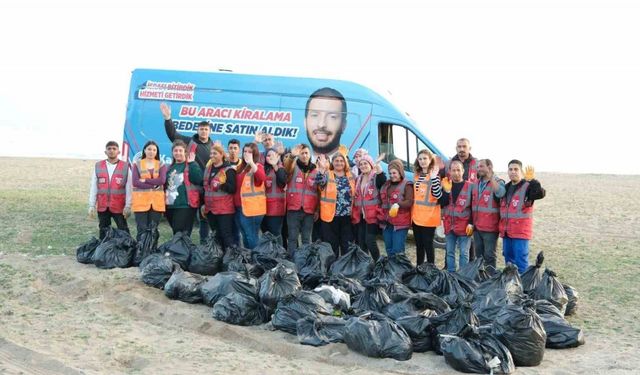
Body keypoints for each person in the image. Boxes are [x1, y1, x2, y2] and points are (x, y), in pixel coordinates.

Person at [160, 102, 212, 243]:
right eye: (201, 129)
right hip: (192, 188)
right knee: (186, 222)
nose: (203, 131)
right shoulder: (190, 142)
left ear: (210, 131)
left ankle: (204, 245)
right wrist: (168, 118)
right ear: (198, 130)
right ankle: (182, 247)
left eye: (206, 129)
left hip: (206, 188)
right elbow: (173, 134)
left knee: (205, 219)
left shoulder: (213, 147)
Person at [500, 160, 545, 274]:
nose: (513, 172)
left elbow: (540, 193)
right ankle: (511, 285)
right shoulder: (505, 188)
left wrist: (533, 181)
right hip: (507, 232)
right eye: (510, 169)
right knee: (508, 261)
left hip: (520, 232)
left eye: (516, 169)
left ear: (521, 171)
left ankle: (523, 288)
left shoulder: (527, 187)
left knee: (521, 262)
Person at [88, 141, 132, 240]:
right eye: (109, 149)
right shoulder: (98, 166)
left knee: (123, 230)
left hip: (119, 206)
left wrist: (128, 205)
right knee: (103, 231)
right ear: (105, 152)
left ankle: (127, 251)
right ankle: (103, 252)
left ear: (118, 152)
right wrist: (91, 205)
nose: (111, 151)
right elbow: (94, 187)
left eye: (114, 149)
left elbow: (129, 187)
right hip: (103, 206)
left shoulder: (125, 167)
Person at [412, 149, 446, 266]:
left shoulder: (435, 176)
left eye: (425, 158)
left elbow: (438, 195)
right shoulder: (416, 176)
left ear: (430, 160)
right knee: (419, 245)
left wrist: (433, 178)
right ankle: (419, 267)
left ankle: (431, 268)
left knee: (428, 245)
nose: (422, 161)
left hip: (429, 218)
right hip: (416, 217)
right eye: (420, 159)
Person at [316, 153, 355, 257]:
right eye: (336, 161)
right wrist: (321, 170)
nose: (339, 163)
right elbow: (320, 183)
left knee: (346, 245)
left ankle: (344, 268)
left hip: (347, 216)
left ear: (345, 163)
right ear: (332, 163)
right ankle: (332, 268)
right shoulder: (328, 174)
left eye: (341, 161)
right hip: (330, 216)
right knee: (332, 245)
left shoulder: (351, 175)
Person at [471, 159, 506, 274]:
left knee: (489, 256)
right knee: (479, 256)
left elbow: (501, 193)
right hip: (477, 227)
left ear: (489, 166)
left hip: (490, 228)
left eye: (481, 166)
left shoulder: (498, 181)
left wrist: (491, 178)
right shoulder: (476, 183)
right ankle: (480, 279)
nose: (478, 169)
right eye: (477, 167)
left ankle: (490, 279)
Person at [283, 143, 319, 254]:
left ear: (310, 155)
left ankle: (305, 263)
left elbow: (319, 193)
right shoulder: (293, 167)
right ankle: (292, 263)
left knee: (306, 239)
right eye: (302, 153)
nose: (304, 155)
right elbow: (287, 167)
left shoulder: (316, 171)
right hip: (293, 210)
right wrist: (292, 156)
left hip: (309, 211)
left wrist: (317, 210)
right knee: (292, 238)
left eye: (306, 153)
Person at [164, 140, 203, 235]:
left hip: (186, 205)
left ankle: (183, 249)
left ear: (185, 152)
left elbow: (199, 179)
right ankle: (179, 249)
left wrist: (192, 163)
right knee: (176, 232)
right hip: (170, 205)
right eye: (175, 151)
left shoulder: (190, 165)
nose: (178, 153)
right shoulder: (169, 168)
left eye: (180, 151)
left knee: (181, 232)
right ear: (172, 153)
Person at [202, 144, 237, 249]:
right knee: (216, 235)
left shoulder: (228, 170)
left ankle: (229, 259)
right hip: (210, 209)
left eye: (215, 153)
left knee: (226, 235)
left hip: (224, 209)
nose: (212, 155)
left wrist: (221, 185)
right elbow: (205, 188)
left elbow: (232, 188)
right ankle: (218, 259)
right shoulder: (208, 169)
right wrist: (203, 205)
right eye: (211, 153)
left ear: (221, 155)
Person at [352, 153, 386, 261]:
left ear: (371, 164)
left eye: (365, 163)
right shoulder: (358, 179)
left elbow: (383, 182)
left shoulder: (375, 177)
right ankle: (366, 264)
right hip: (361, 215)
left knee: (370, 240)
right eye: (361, 164)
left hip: (373, 215)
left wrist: (379, 168)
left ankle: (377, 262)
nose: (363, 166)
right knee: (361, 241)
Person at [441, 160, 473, 272]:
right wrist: (446, 191)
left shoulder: (470, 187)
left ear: (463, 171)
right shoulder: (446, 184)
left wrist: (471, 223)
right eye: (453, 170)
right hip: (449, 225)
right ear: (449, 171)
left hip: (464, 227)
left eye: (458, 170)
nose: (456, 173)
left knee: (464, 253)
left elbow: (474, 208)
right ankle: (451, 274)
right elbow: (442, 203)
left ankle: (463, 276)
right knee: (450, 252)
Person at [131, 140, 167, 240]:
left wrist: (145, 180)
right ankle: (140, 252)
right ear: (144, 150)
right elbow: (135, 182)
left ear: (157, 152)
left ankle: (152, 252)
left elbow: (162, 180)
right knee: (141, 230)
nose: (151, 151)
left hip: (156, 203)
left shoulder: (161, 164)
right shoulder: (137, 164)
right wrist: (153, 185)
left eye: (154, 150)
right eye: (149, 149)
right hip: (140, 203)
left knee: (153, 230)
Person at [234, 142, 267, 249]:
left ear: (255, 154)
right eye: (245, 151)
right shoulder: (241, 167)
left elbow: (262, 178)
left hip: (252, 210)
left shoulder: (257, 166)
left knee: (251, 236)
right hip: (239, 207)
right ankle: (249, 258)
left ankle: (256, 260)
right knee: (245, 235)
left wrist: (252, 163)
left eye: (250, 152)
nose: (247, 154)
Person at [379, 159, 413, 256]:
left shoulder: (407, 184)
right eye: (390, 173)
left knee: (397, 251)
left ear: (400, 172)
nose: (392, 175)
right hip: (387, 223)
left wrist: (398, 204)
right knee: (389, 249)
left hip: (400, 224)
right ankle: (391, 270)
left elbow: (409, 201)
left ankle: (399, 270)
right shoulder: (386, 184)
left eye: (394, 173)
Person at [305, 87, 347, 158]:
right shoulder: (295, 164)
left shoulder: (352, 167)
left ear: (343, 125)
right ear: (305, 122)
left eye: (332, 117)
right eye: (315, 115)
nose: (321, 124)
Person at [261, 148, 287, 243]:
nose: (270, 157)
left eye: (272, 155)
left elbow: (282, 182)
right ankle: (269, 254)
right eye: (268, 155)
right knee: (266, 233)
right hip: (263, 208)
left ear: (277, 157)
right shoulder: (263, 169)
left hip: (276, 209)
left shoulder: (281, 169)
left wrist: (275, 165)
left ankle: (279, 254)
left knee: (275, 233)